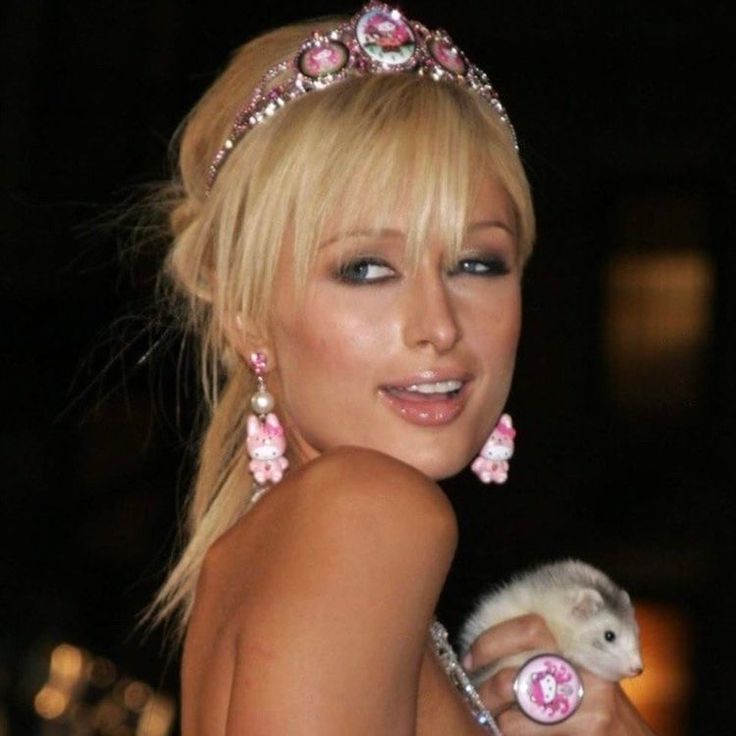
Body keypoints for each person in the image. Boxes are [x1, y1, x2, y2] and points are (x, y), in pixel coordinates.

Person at [149, 3, 656, 734]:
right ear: (244, 309)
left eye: (477, 263)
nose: (439, 326)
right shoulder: (368, 513)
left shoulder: (262, 557)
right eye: (365, 269)